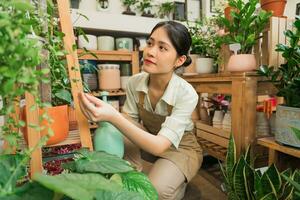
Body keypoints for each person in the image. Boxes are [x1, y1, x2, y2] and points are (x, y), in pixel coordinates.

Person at [78, 21, 203, 200]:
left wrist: (113, 115)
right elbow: (129, 121)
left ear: (179, 60)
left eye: (162, 48)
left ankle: (175, 185)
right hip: (149, 139)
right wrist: (108, 117)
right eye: (150, 43)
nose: (151, 51)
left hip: (180, 148)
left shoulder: (186, 94)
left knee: (156, 191)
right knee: (119, 133)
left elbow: (160, 146)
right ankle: (138, 173)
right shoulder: (135, 82)